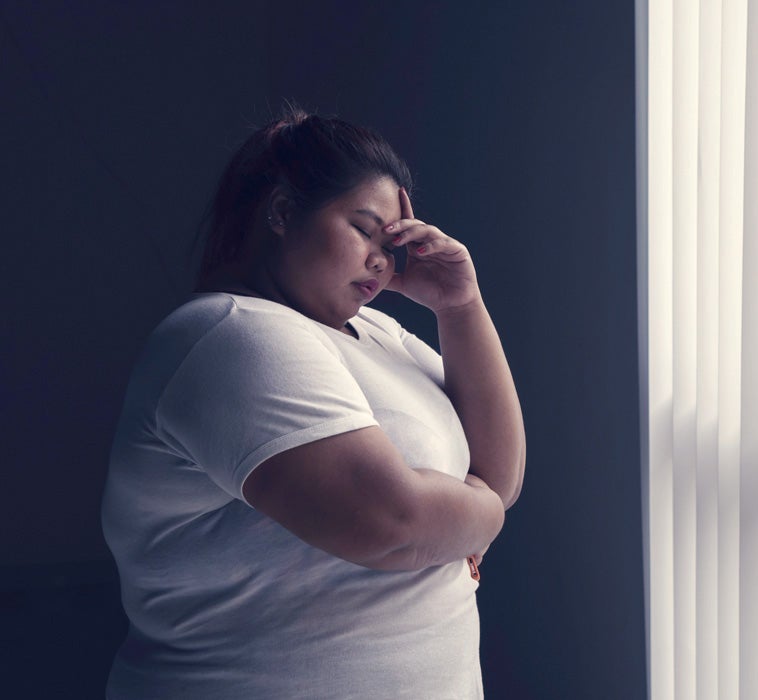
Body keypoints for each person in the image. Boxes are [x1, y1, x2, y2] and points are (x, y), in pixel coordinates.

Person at [100, 108, 526, 699]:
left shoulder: (379, 334)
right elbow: (392, 525)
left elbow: (499, 476)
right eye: (363, 228)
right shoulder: (230, 333)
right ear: (281, 212)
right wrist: (476, 514)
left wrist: (460, 307)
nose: (382, 259)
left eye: (391, 242)